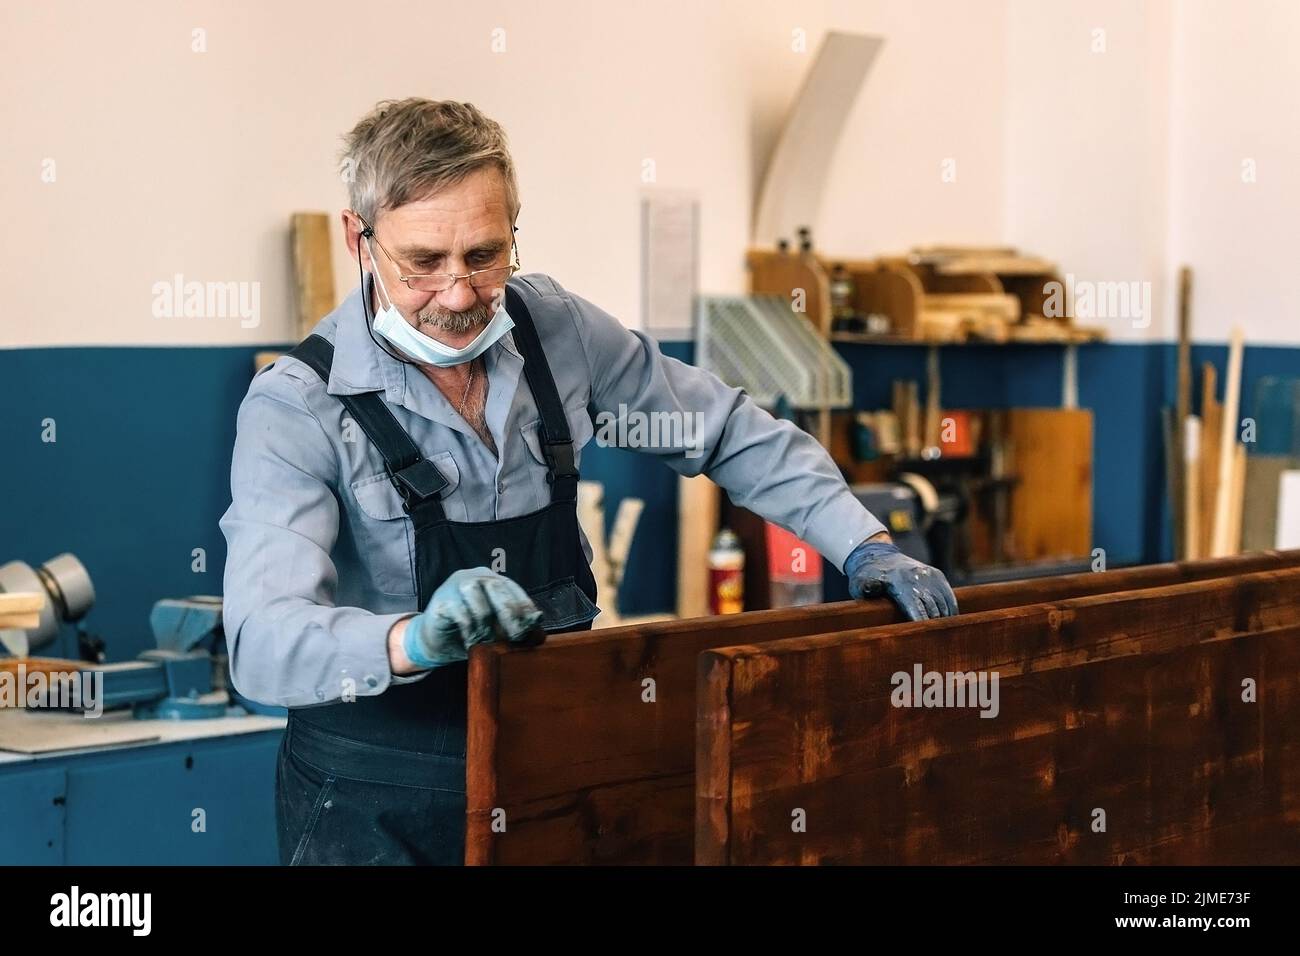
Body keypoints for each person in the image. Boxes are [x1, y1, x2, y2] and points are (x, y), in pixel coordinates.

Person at [219, 98, 957, 866]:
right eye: (424, 264)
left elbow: (728, 432)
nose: (461, 294)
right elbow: (263, 641)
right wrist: (413, 639)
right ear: (357, 238)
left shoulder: (556, 334)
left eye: (484, 255)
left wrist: (863, 543)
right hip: (376, 805)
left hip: (553, 772)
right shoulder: (299, 405)